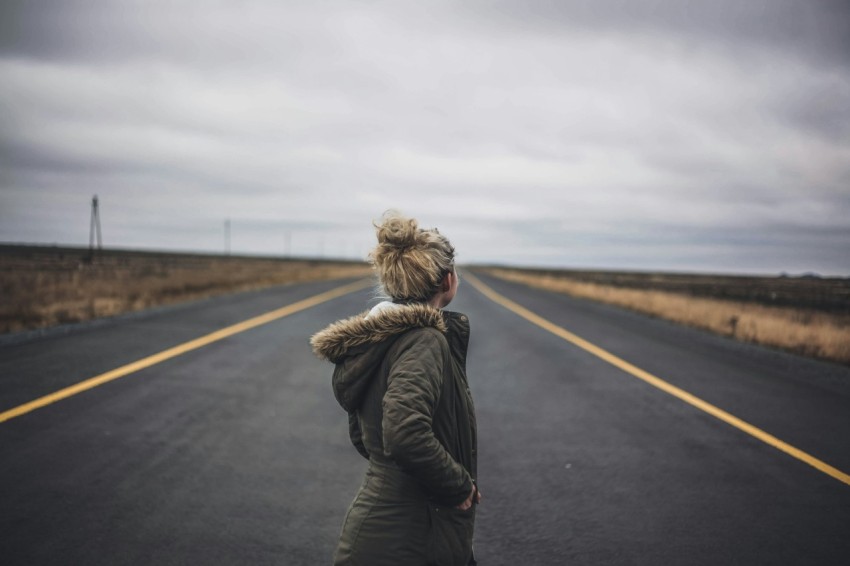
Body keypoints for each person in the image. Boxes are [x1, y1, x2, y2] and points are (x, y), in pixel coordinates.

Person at [311, 210, 480, 566]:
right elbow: (404, 433)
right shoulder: (424, 340)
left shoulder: (379, 339)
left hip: (385, 529)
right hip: (408, 538)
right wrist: (458, 485)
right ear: (447, 280)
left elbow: (364, 437)